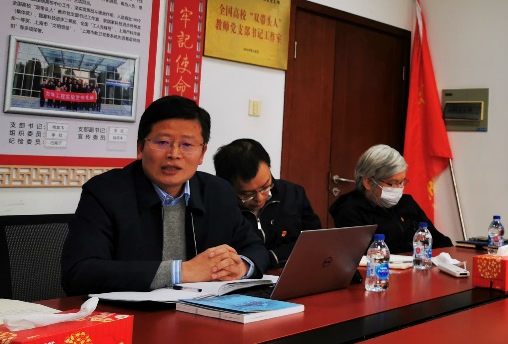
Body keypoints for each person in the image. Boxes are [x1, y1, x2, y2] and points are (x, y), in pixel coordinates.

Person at [61, 95, 270, 295]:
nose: (174, 154)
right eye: (162, 142)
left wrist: (241, 267)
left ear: (202, 153)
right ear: (140, 147)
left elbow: (255, 248)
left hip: (203, 312)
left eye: (187, 145)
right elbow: (79, 273)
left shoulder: (218, 192)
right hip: (131, 314)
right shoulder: (104, 193)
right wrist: (182, 272)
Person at [213, 138, 322, 268]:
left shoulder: (293, 194)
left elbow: (315, 240)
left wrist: (269, 258)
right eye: (247, 194)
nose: (259, 198)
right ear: (226, 186)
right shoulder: (218, 208)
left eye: (265, 187)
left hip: (293, 271)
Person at [328, 144, 453, 254]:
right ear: (369, 182)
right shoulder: (349, 209)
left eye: (401, 182)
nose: (398, 188)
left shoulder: (406, 203)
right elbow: (362, 256)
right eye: (392, 183)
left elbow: (439, 241)